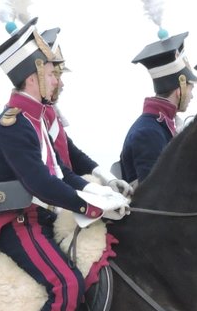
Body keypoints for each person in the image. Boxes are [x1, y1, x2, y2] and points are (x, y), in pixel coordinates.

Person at [0, 18, 130, 311]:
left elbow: (64, 172)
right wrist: (91, 206)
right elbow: (41, 185)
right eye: (50, 71)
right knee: (66, 284)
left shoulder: (39, 119)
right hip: (18, 221)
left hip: (41, 220)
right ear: (32, 77)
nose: (57, 79)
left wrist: (103, 187)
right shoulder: (13, 125)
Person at [39, 27, 131, 192]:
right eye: (55, 76)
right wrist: (96, 191)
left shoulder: (49, 116)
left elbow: (74, 155)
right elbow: (55, 172)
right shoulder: (32, 119)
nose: (60, 84)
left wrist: (107, 178)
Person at [119, 31, 197, 184]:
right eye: (190, 89)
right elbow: (156, 196)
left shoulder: (160, 125)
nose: (191, 96)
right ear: (179, 90)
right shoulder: (149, 132)